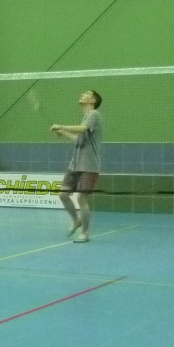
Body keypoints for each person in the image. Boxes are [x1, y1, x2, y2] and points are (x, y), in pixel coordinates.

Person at [51, 90, 103, 243]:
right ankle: (76, 220)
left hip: (89, 166)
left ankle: (85, 233)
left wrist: (62, 126)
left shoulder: (94, 115)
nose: (81, 94)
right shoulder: (85, 117)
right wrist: (63, 133)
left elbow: (82, 129)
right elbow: (78, 140)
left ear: (92, 100)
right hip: (74, 164)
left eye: (86, 93)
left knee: (81, 198)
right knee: (63, 195)